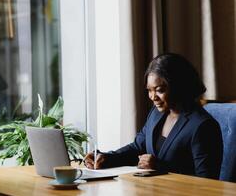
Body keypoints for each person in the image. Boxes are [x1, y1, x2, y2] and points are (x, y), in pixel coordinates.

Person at [84, 53, 223, 179]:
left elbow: (207, 179)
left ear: (178, 86)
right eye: (149, 91)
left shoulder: (203, 126)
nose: (153, 97)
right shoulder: (156, 114)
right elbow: (137, 148)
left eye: (159, 90)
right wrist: (105, 158)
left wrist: (161, 167)